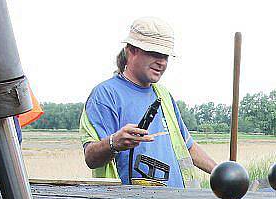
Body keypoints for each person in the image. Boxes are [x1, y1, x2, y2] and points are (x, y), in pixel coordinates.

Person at [80, 17, 216, 187]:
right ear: (131, 51)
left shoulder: (163, 95)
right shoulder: (106, 95)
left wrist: (220, 171)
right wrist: (113, 143)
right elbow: (91, 158)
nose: (162, 62)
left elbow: (188, 146)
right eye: (154, 54)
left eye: (165, 56)